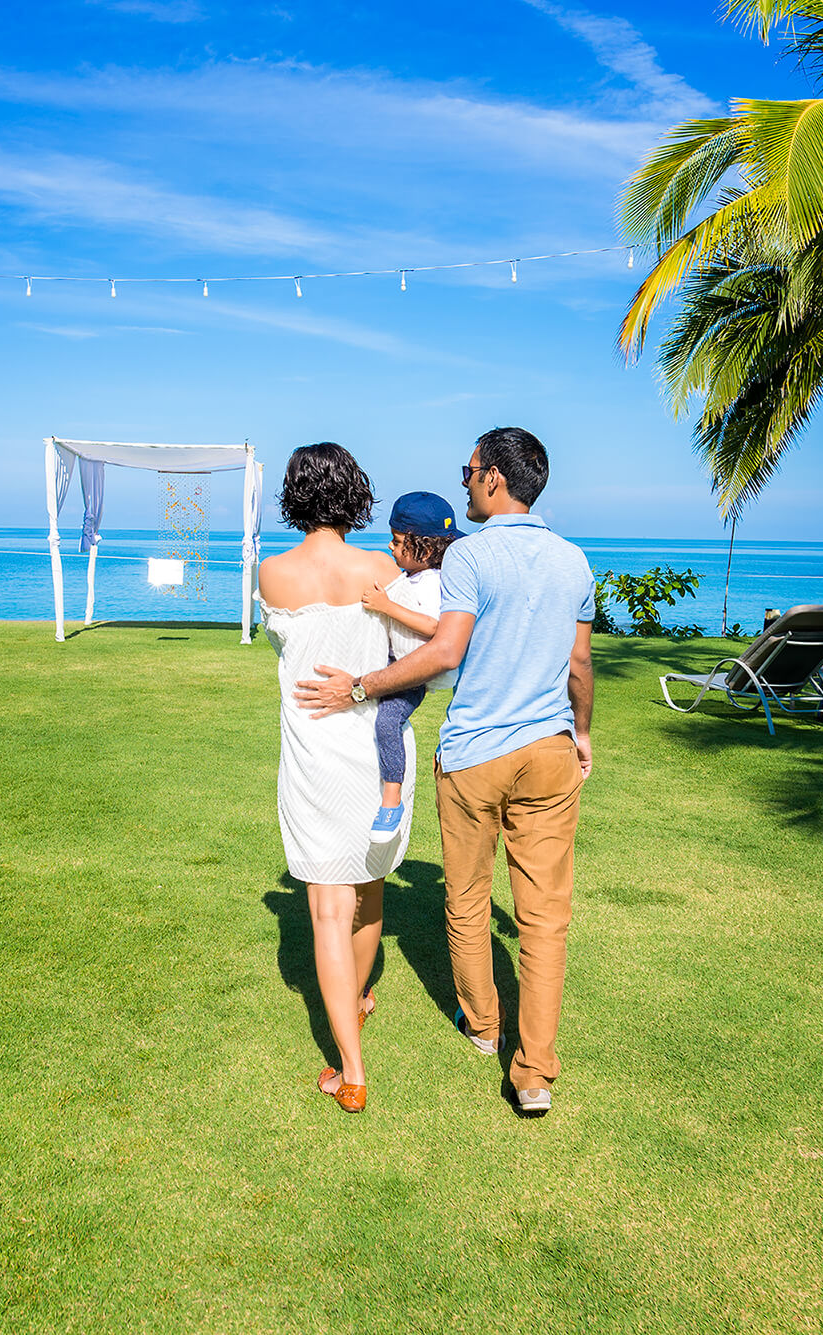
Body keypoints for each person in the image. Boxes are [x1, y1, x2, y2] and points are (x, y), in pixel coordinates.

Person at [297, 427, 593, 1117]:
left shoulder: (470, 558)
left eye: (469, 470)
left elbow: (444, 649)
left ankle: (486, 1027)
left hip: (474, 757)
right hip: (550, 750)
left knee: (465, 900)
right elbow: (580, 665)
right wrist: (581, 733)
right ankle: (535, 1074)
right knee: (545, 920)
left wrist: (364, 686)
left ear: (494, 479)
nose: (464, 482)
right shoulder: (574, 560)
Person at [256, 443, 406, 1114]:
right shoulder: (381, 568)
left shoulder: (273, 574)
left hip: (314, 756)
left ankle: (351, 1069)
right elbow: (415, 652)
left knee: (326, 907)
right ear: (354, 491)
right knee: (369, 889)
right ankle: (360, 998)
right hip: (378, 755)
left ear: (294, 493)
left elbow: (283, 647)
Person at [359, 491, 462, 843]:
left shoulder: (433, 581)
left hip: (414, 671)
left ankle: (392, 799)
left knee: (388, 721)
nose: (391, 547)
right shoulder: (413, 578)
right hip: (396, 660)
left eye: (398, 541)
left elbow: (436, 627)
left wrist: (387, 607)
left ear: (426, 548)